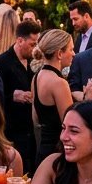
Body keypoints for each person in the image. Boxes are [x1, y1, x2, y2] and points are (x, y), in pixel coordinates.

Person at [0, 19, 42, 172]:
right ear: (20, 40)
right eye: (32, 44)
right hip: (10, 134)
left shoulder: (34, 62)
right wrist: (11, 97)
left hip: (30, 132)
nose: (35, 49)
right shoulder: (0, 64)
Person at [32, 29, 77, 166]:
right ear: (59, 53)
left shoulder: (36, 77)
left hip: (42, 149)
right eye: (71, 49)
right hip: (58, 151)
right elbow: (71, 124)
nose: (74, 54)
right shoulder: (59, 83)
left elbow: (35, 119)